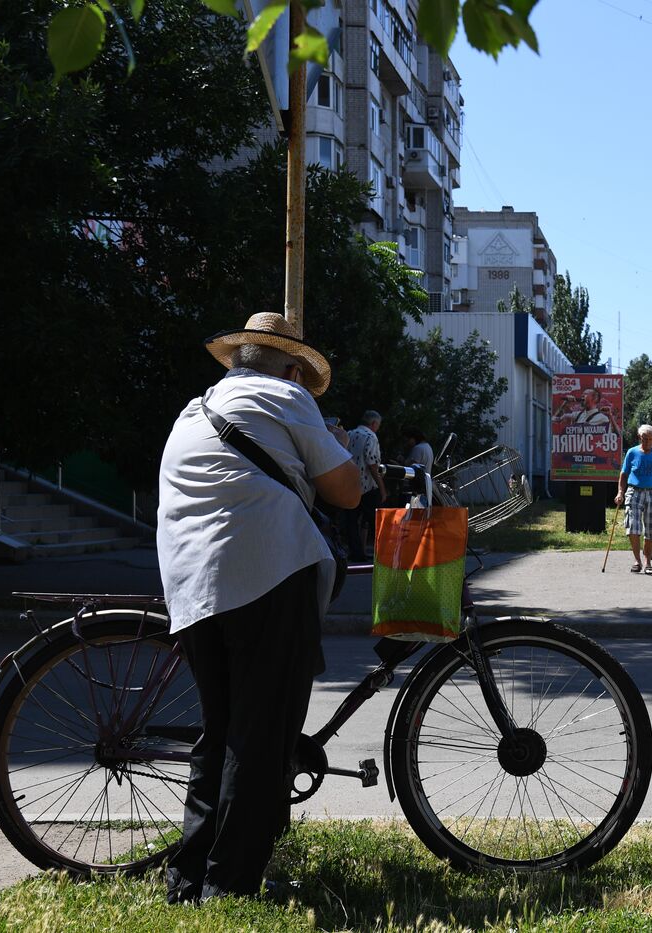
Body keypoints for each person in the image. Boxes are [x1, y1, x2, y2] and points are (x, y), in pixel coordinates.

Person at [156, 312, 362, 902]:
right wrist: (342, 452)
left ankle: (189, 876)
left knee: (219, 731)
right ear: (293, 368)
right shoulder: (286, 396)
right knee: (261, 734)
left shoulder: (196, 408)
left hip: (192, 583)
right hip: (267, 570)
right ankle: (232, 885)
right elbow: (346, 491)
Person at [614, 424, 652, 574]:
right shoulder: (632, 453)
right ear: (639, 438)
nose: (648, 442)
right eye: (645, 439)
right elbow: (624, 474)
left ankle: (648, 562)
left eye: (651, 439)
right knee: (632, 526)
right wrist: (620, 492)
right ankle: (637, 560)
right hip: (634, 491)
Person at [344, 410, 386, 560]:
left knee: (352, 521)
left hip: (351, 484)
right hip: (367, 486)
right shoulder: (370, 437)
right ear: (374, 424)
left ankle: (356, 552)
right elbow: (372, 464)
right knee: (376, 520)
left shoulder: (349, 434)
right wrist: (382, 488)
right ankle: (383, 553)